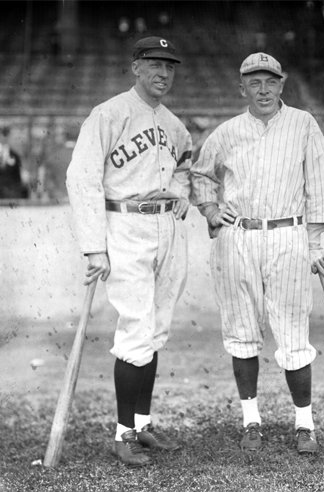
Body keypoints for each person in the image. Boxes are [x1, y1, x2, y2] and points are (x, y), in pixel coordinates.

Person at [191, 52, 324, 454]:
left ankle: (304, 424)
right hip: (239, 237)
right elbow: (200, 174)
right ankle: (251, 421)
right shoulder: (227, 132)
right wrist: (211, 210)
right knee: (241, 332)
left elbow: (319, 184)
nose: (263, 89)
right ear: (242, 88)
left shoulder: (304, 123)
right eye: (254, 82)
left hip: (288, 235)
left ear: (282, 83)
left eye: (270, 81)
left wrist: (316, 242)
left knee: (293, 333)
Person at [66, 36, 192, 467]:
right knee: (136, 329)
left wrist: (180, 194)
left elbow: (184, 167)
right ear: (135, 67)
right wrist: (93, 247)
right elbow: (82, 179)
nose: (163, 73)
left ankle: (141, 424)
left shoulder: (175, 125)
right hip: (124, 223)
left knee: (155, 329)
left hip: (166, 226)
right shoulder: (108, 114)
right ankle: (123, 436)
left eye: (169, 66)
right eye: (154, 64)